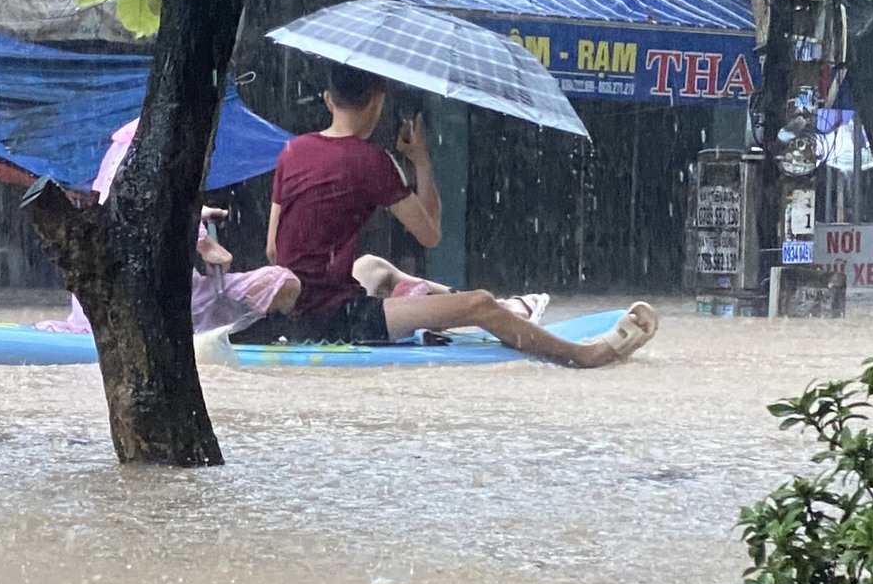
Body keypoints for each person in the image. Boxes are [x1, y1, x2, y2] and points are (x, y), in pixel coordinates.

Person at [230, 64, 657, 367]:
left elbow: (273, 250)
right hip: (335, 320)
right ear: (378, 101)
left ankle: (493, 308)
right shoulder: (371, 161)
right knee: (479, 304)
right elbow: (431, 234)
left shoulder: (292, 150)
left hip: (287, 307)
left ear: (328, 99)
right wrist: (421, 161)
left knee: (373, 265)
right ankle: (582, 355)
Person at [37, 119, 302, 337]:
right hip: (156, 303)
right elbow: (151, 201)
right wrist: (207, 245)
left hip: (109, 297)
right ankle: (258, 335)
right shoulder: (161, 152)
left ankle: (240, 331)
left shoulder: (125, 148)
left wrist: (197, 213)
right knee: (284, 281)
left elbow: (133, 202)